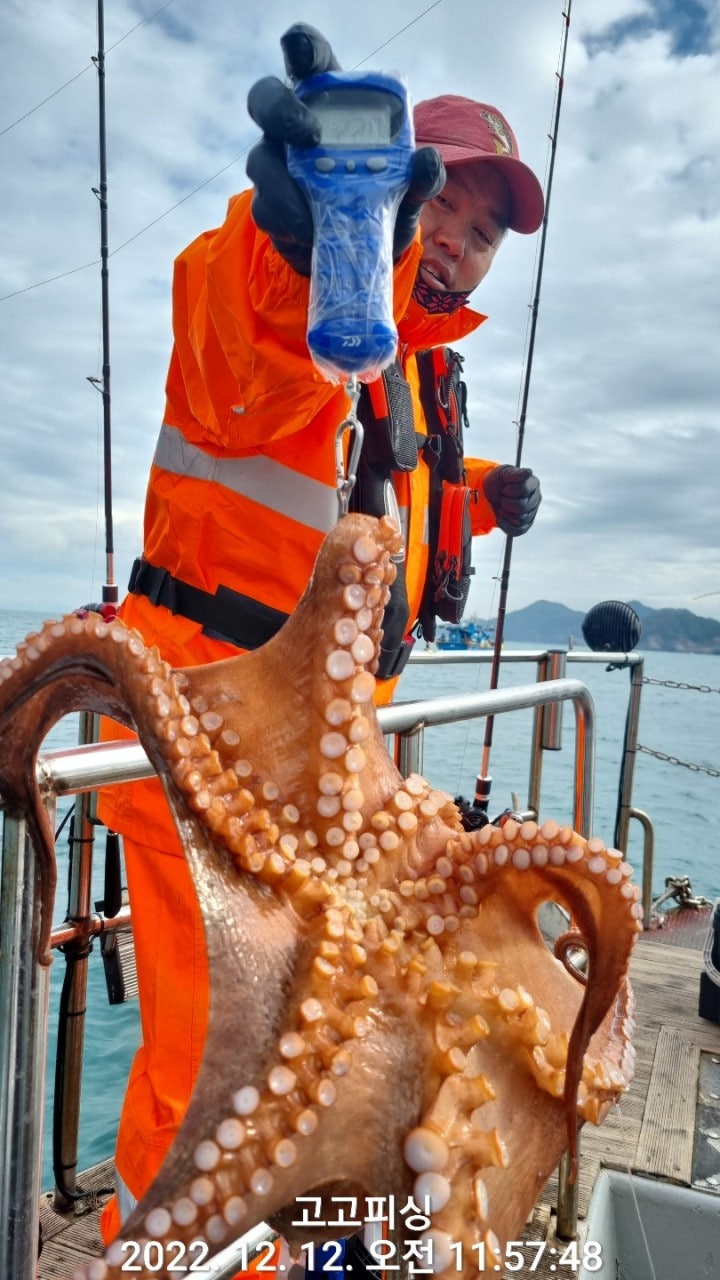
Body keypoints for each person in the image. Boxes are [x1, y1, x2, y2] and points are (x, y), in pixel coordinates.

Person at [97, 23, 544, 1244]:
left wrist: (482, 497)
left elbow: (377, 495)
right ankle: (161, 1256)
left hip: (322, 770)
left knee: (294, 1052)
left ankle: (259, 1250)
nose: (457, 240)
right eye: (443, 202)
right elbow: (259, 362)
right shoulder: (306, 299)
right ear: (398, 182)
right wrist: (300, 240)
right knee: (209, 1069)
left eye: (484, 233)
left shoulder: (421, 368)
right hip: (208, 744)